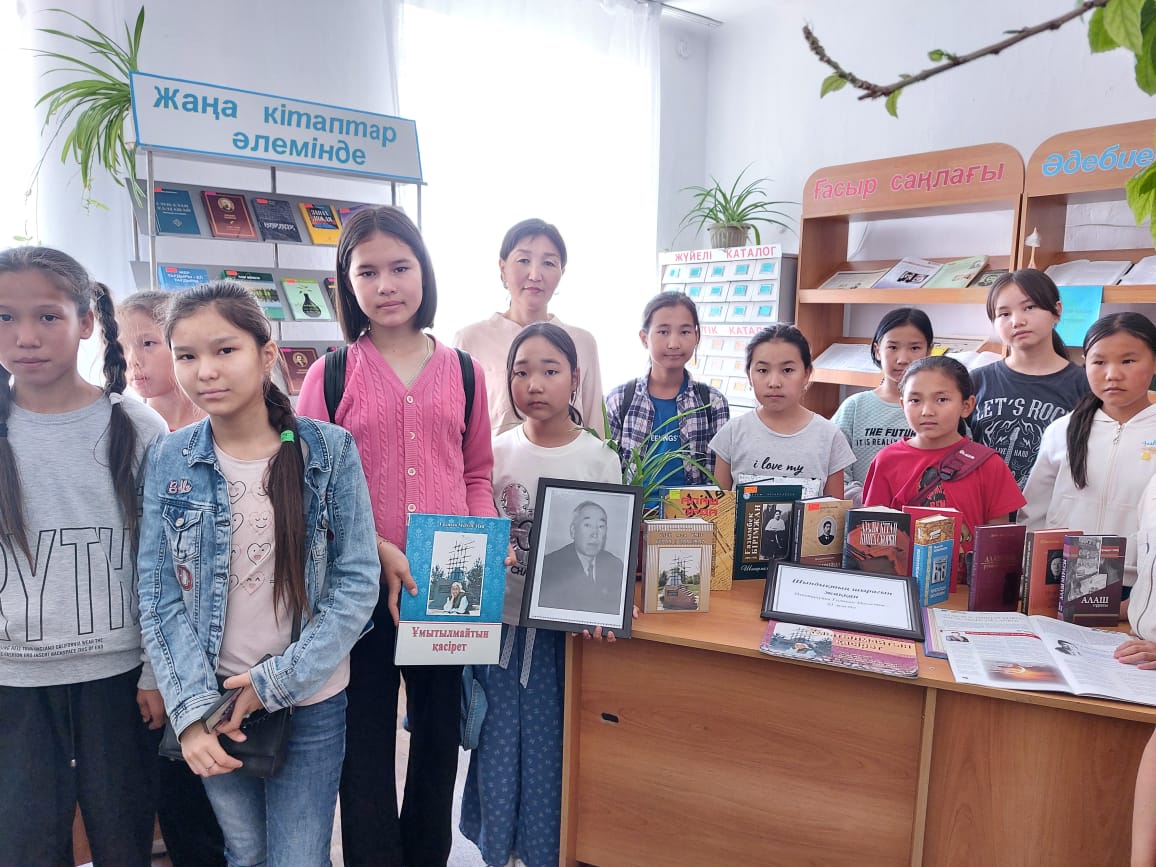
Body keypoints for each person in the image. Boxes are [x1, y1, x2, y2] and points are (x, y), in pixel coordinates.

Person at [137, 282, 379, 867]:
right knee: (244, 853)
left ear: (266, 354)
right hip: (213, 698)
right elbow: (158, 592)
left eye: (225, 350)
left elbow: (356, 581)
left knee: (299, 856)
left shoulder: (329, 450)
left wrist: (275, 682)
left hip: (310, 697)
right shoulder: (169, 457)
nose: (205, 371)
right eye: (187, 355)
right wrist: (190, 713)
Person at [295, 205, 497, 867]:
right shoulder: (329, 375)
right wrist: (374, 550)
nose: (386, 285)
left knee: (438, 741)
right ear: (346, 283)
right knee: (365, 742)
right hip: (359, 587)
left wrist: (482, 542)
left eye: (400, 267)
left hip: (448, 581)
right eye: (368, 272)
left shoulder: (465, 371)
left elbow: (475, 472)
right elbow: (311, 488)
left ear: (424, 272)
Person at [0, 246, 168, 865]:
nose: (25, 337)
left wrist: (155, 672)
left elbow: (164, 562)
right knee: (24, 845)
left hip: (119, 683)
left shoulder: (137, 426)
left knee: (124, 839)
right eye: (4, 317)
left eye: (47, 316)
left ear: (87, 322)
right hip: (13, 683)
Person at [461, 320, 623, 867]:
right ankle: (497, 847)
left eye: (550, 371)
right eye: (521, 372)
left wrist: (606, 606)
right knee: (495, 738)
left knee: (552, 744)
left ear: (575, 378)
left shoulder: (598, 459)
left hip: (563, 637)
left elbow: (612, 548)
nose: (534, 384)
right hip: (500, 626)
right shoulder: (493, 453)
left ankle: (546, 850)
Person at [118, 290, 224, 867]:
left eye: (149, 343)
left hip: (226, 655)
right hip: (156, 651)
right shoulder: (135, 433)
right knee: (181, 800)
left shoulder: (220, 431)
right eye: (124, 344)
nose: (135, 359)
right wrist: (152, 670)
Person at [1021, 312, 1156, 589]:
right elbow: (1033, 513)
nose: (1112, 374)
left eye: (1128, 361)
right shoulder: (1062, 430)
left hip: (1141, 587)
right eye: (1099, 362)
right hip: (1061, 580)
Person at [863, 356, 1025, 562]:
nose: (927, 411)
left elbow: (997, 542)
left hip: (967, 580)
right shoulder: (887, 460)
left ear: (967, 405)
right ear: (903, 404)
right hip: (902, 578)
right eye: (915, 400)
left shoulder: (988, 464)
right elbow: (873, 533)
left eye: (941, 399)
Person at [454, 218, 605, 434]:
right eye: (524, 260)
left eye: (549, 263)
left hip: (569, 458)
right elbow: (456, 428)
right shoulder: (471, 340)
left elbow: (595, 428)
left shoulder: (582, 342)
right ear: (503, 267)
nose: (535, 275)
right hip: (494, 458)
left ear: (562, 272)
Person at [970, 269, 1090, 488]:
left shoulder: (1085, 384)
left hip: (1051, 506)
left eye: (1029, 307)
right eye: (1004, 314)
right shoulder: (976, 381)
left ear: (1056, 311)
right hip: (981, 504)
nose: (1017, 321)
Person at [709, 324, 855, 495]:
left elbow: (834, 508)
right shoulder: (732, 433)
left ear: (806, 374)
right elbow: (719, 506)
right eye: (763, 370)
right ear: (749, 375)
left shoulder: (830, 437)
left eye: (787, 370)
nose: (774, 383)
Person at [605, 290, 729, 489]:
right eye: (663, 332)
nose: (674, 344)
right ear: (644, 338)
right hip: (634, 508)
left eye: (685, 332)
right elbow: (606, 471)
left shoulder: (713, 402)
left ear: (697, 336)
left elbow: (717, 481)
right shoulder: (619, 399)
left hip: (692, 510)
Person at [833, 307, 932, 506]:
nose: (903, 359)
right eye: (893, 347)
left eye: (914, 348)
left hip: (926, 518)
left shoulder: (940, 410)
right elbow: (835, 473)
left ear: (929, 351)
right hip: (863, 517)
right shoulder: (854, 407)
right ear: (877, 350)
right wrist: (873, 502)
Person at [118, 290, 205, 430]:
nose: (132, 361)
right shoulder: (123, 428)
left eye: (148, 344)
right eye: (121, 347)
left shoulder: (221, 424)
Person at [538, 500, 627, 614]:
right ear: (573, 531)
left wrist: (625, 608)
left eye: (601, 526)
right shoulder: (549, 566)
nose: (595, 534)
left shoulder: (615, 565)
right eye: (587, 525)